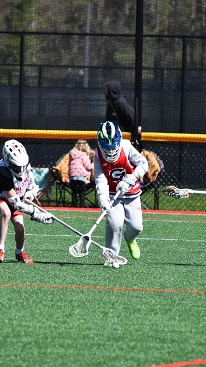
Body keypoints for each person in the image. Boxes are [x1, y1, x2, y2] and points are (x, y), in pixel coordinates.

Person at [0, 139, 53, 264]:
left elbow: (33, 186)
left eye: (22, 166)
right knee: (6, 213)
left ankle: (19, 252)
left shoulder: (25, 165)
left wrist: (30, 194)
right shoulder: (2, 171)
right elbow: (16, 203)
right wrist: (35, 214)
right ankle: (0, 250)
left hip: (17, 196)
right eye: (16, 166)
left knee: (20, 229)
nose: (20, 169)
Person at [94, 121, 148, 263]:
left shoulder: (126, 146)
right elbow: (100, 179)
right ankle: (111, 256)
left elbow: (143, 164)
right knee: (114, 224)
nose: (111, 151)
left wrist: (131, 179)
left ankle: (130, 239)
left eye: (113, 147)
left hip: (131, 193)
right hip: (113, 195)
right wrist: (103, 199)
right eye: (107, 147)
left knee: (136, 226)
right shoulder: (98, 155)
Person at [103, 80, 142, 150]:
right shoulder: (111, 104)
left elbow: (133, 118)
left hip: (124, 140)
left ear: (112, 90)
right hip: (113, 140)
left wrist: (133, 137)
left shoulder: (121, 104)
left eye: (106, 90)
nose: (104, 92)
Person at [68, 139, 94, 208]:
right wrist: (93, 165)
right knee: (82, 192)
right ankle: (81, 206)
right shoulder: (84, 155)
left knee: (74, 192)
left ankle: (74, 205)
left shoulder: (72, 154)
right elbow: (88, 166)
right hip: (81, 176)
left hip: (72, 176)